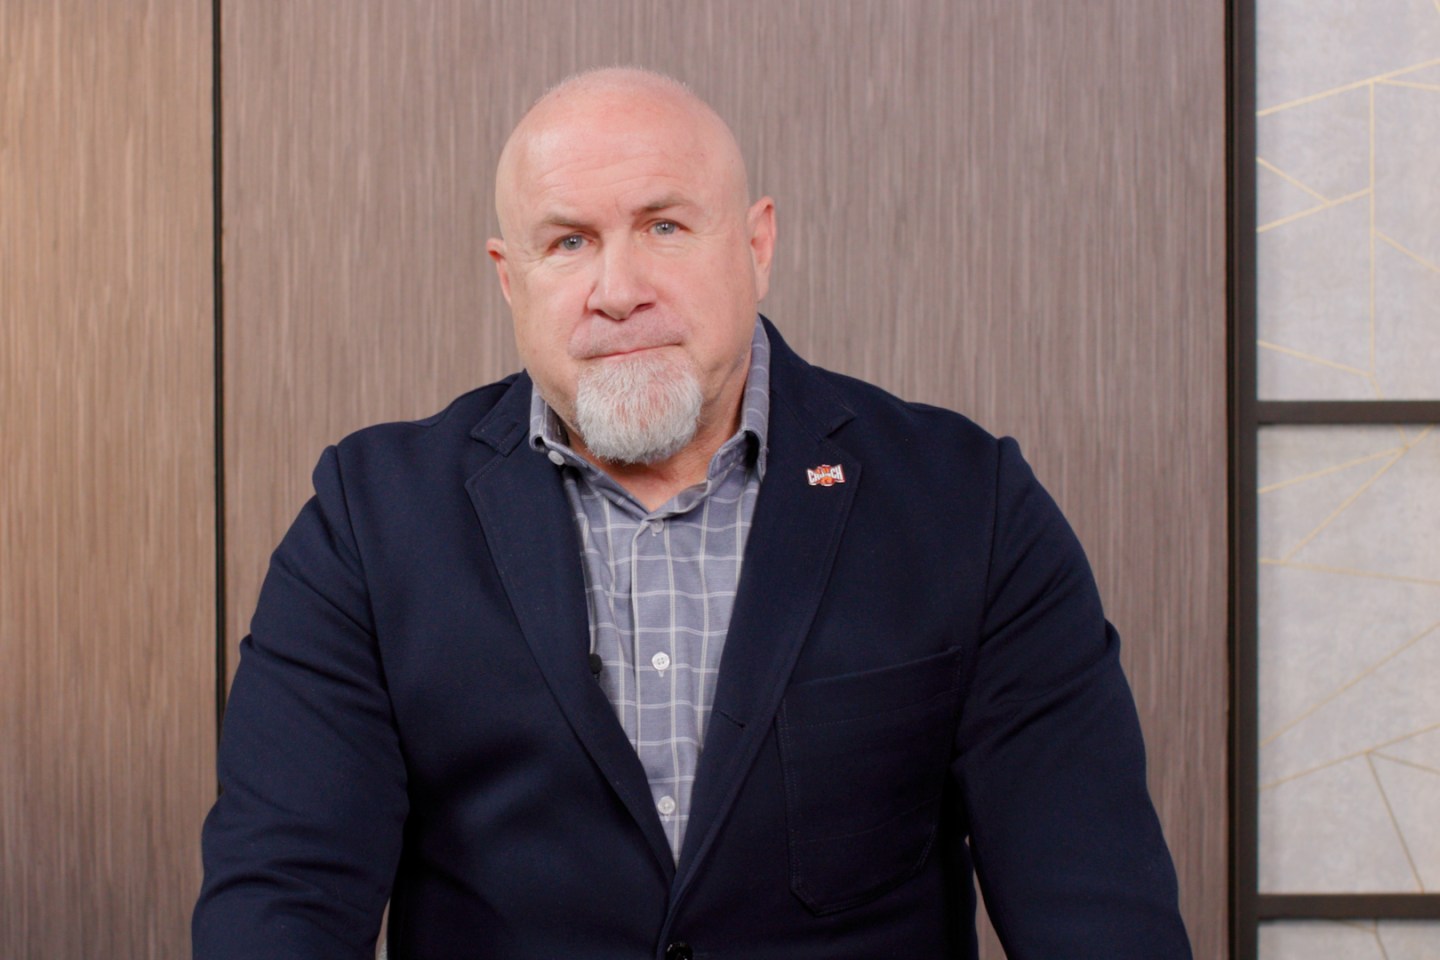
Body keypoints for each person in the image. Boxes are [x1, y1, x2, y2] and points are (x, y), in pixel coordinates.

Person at [194, 67, 1192, 959]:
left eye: (665, 227)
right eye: (569, 242)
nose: (617, 289)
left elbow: (1097, 911)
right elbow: (282, 899)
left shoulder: (968, 508)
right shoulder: (369, 522)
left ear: (757, 243)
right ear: (510, 278)